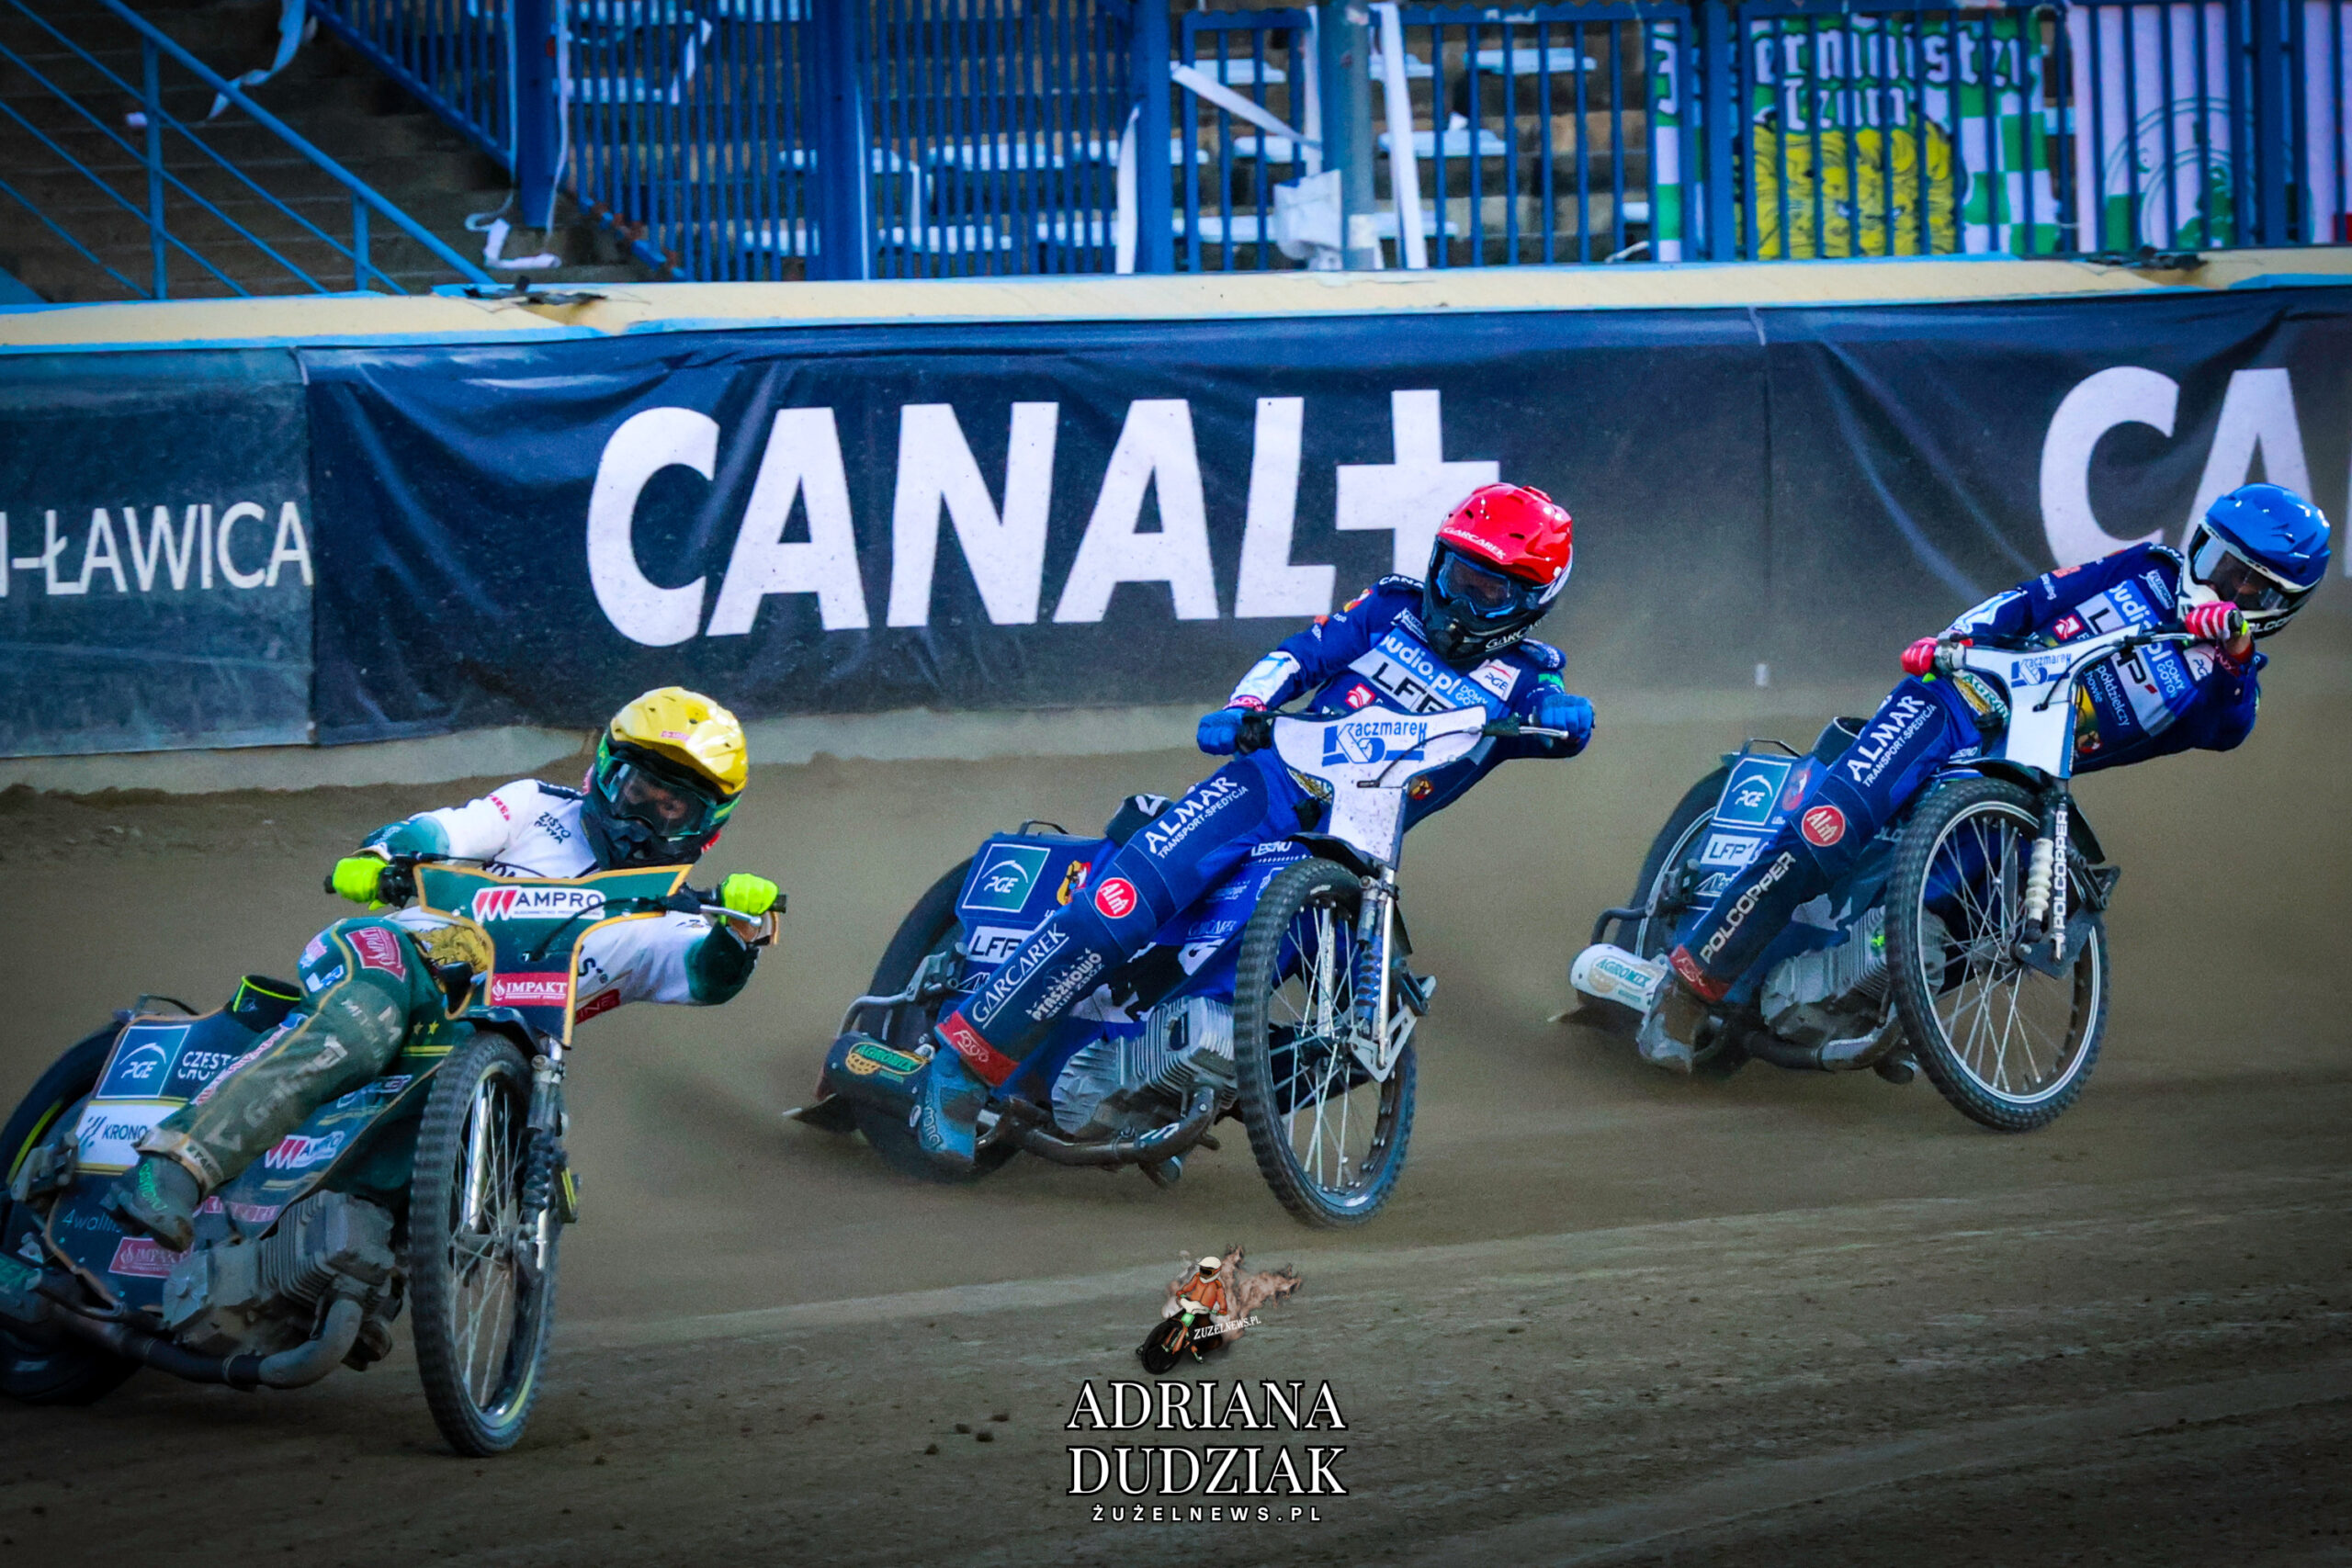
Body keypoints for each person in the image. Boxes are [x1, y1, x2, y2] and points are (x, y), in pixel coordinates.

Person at [908, 481, 1598, 1169]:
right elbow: (1300, 655)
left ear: (1531, 603)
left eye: (1488, 590)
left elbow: (1562, 720)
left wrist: (1569, 718)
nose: (1460, 600)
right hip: (1264, 785)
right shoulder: (1392, 608)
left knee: (1352, 1010)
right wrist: (1245, 707)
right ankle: (957, 1072)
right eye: (1456, 574)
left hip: (1351, 851)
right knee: (1115, 910)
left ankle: (1157, 1092)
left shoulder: (1528, 679)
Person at [1638, 481, 2333, 1072]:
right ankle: (1686, 990)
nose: (2227, 586)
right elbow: (2033, 599)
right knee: (1831, 827)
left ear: (2280, 606)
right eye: (2220, 563)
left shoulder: (2228, 683)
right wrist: (1954, 643)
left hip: (2023, 772)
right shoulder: (2147, 569)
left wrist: (2232, 652)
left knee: (2003, 904)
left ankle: (1885, 1008)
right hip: (1961, 699)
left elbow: (2231, 728)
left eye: (2252, 584)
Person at [104, 687, 783, 1248]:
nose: (646, 816)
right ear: (605, 773)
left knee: (507, 1143)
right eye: (639, 790)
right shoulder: (535, 807)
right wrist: (386, 855)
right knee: (361, 1027)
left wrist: (740, 931)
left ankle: (352, 1265)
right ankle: (175, 1166)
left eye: (672, 807)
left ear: (707, 825)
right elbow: (446, 830)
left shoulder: (672, 917)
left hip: (495, 1044)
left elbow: (708, 975)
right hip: (400, 955)